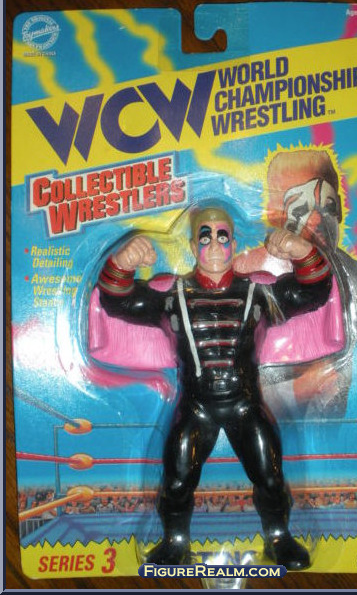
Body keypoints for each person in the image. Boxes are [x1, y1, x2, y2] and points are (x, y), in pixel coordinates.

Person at [97, 206, 332, 569]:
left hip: (246, 404)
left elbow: (314, 292)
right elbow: (117, 301)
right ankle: (174, 543)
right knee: (177, 480)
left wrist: (302, 251)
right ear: (193, 246)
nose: (215, 244)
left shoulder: (258, 293)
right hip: (197, 406)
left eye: (222, 235)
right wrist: (122, 263)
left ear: (234, 243)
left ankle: (279, 537)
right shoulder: (173, 296)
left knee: (270, 476)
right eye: (205, 236)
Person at [235, 149, 357, 417]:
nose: (317, 220)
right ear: (274, 214)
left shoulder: (354, 277)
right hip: (252, 426)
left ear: (339, 210)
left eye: (327, 207)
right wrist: (302, 388)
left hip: (333, 433)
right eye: (301, 208)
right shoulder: (245, 272)